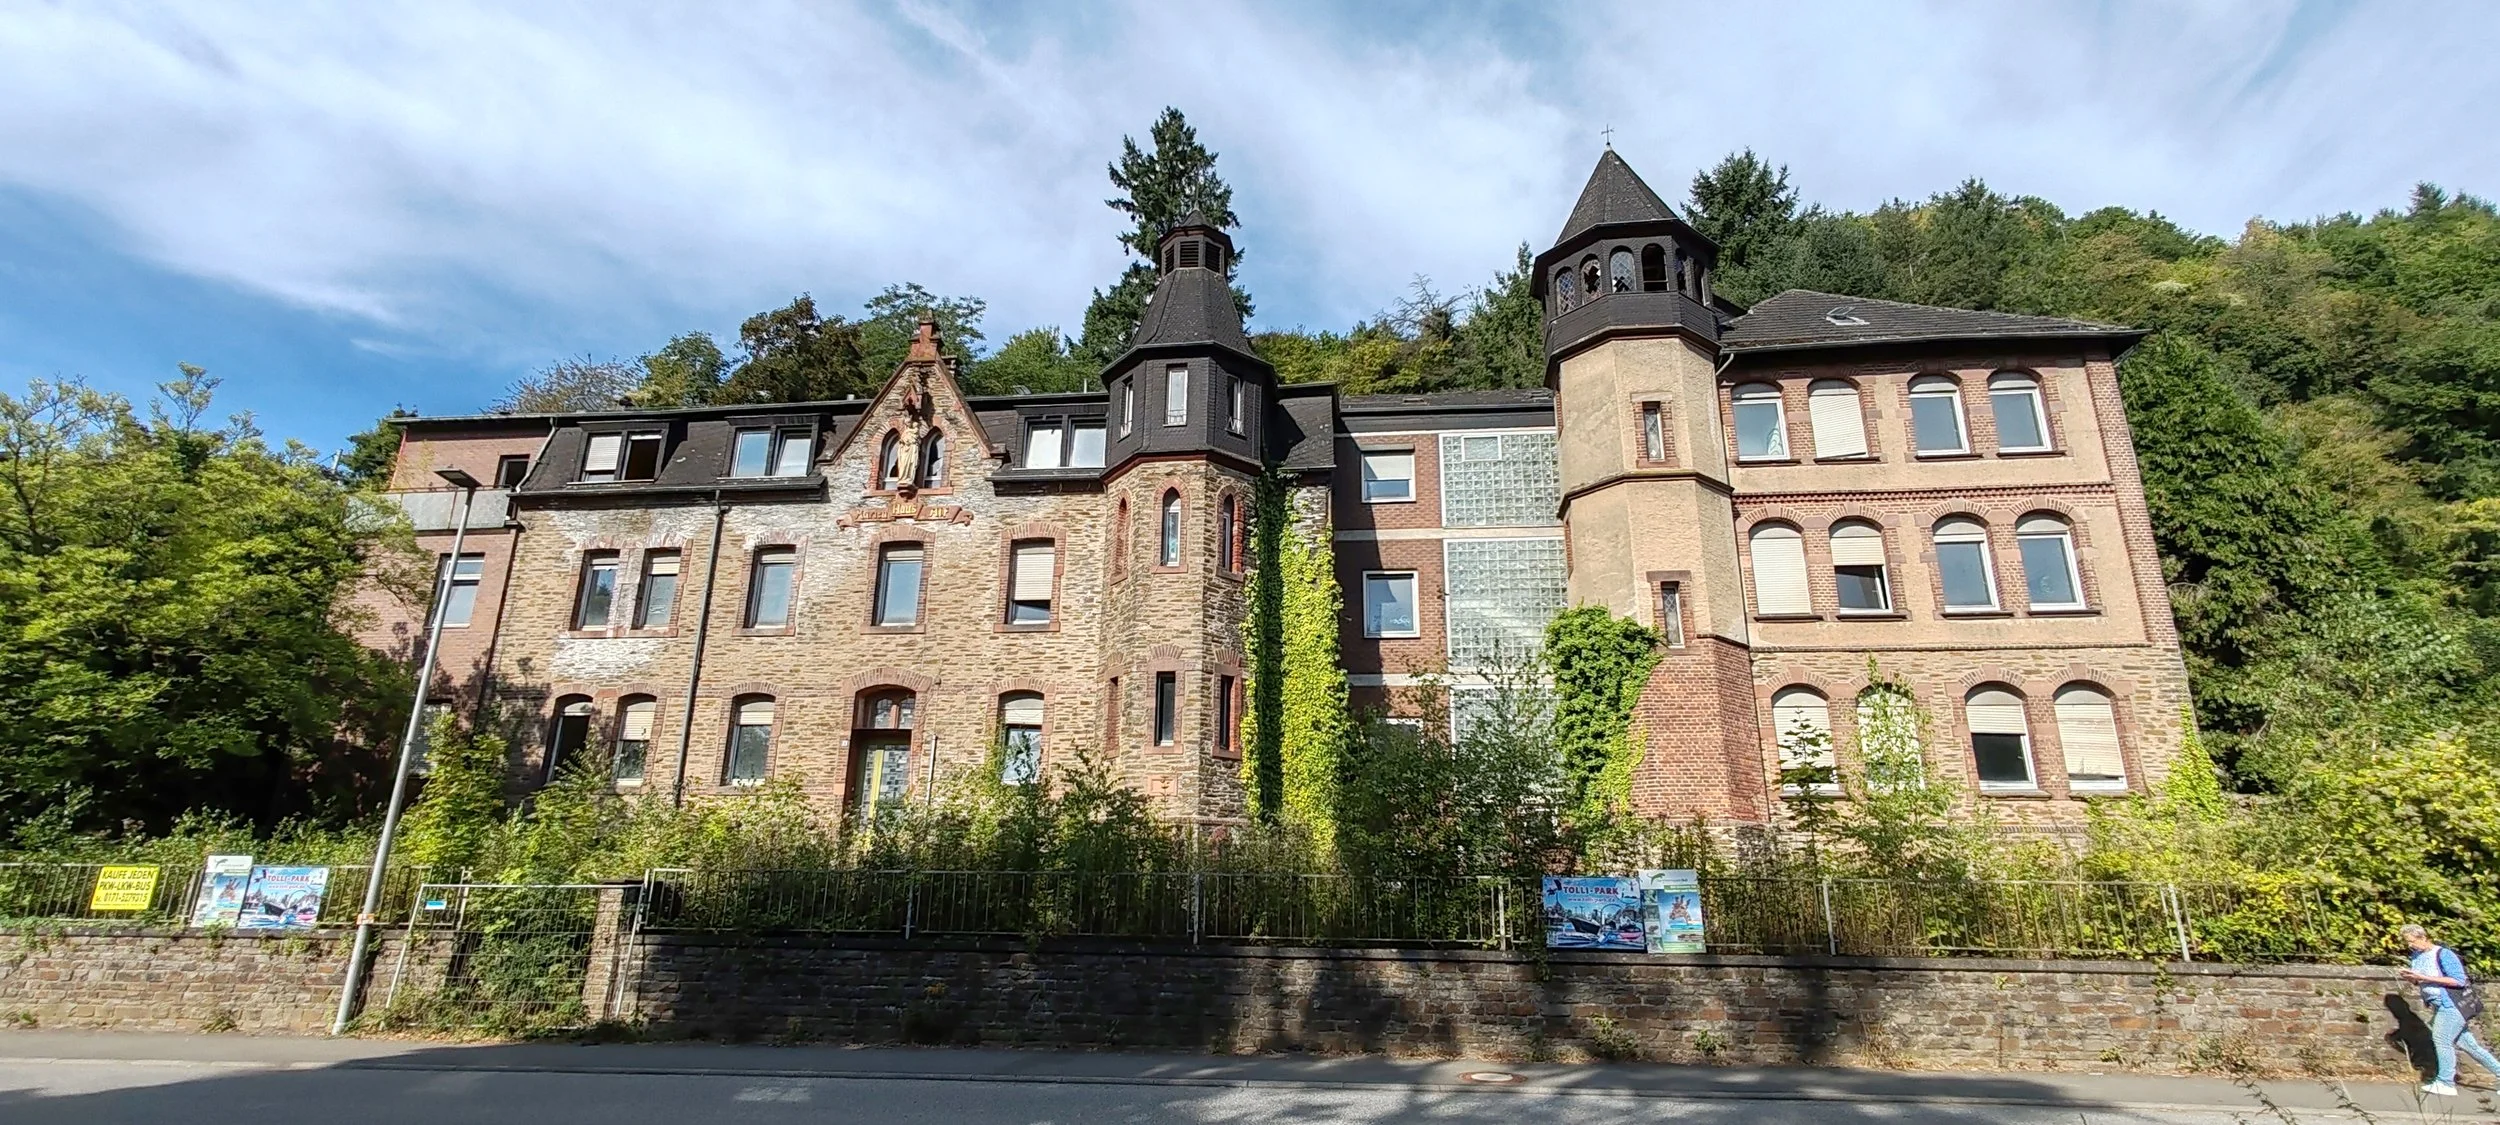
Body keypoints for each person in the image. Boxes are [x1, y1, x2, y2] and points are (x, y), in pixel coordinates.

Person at [2399, 923, 2498, 1096]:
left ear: (2423, 937)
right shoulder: (2416, 956)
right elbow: (2421, 980)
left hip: (2451, 1005)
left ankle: (2445, 1082)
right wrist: (2413, 979)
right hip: (2439, 1005)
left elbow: (2459, 980)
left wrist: (2423, 977)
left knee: (2441, 1040)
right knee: (2471, 1047)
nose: (2410, 945)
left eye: (2412, 941)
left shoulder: (2443, 954)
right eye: (2407, 942)